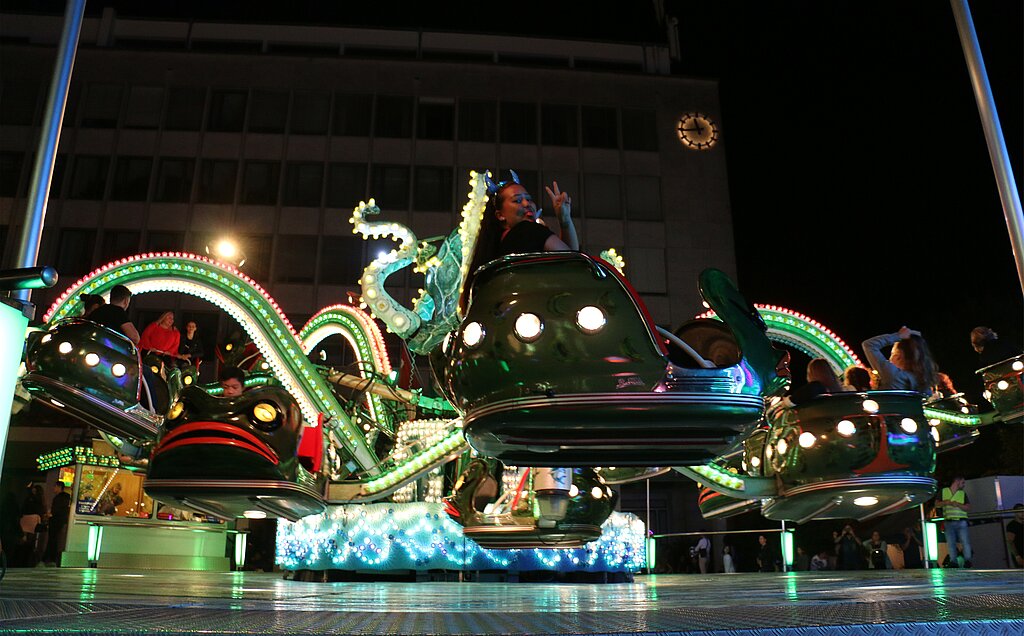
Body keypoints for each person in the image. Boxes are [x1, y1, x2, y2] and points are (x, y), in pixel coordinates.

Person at [463, 171, 579, 304]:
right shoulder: (528, 230)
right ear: (500, 215)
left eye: (529, 199)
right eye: (517, 200)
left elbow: (570, 256)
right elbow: (573, 261)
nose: (526, 204)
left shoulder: (495, 246)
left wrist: (564, 220)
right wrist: (565, 220)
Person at [861, 326, 937, 394]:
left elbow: (869, 345)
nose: (889, 359)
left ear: (898, 356)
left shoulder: (892, 374)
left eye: (893, 353)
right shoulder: (925, 382)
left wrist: (898, 336)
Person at [936, 476, 972, 567]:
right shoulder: (943, 492)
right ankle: (953, 561)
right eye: (962, 482)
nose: (963, 485)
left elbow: (968, 507)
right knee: (951, 543)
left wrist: (958, 505)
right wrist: (946, 502)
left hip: (961, 521)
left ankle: (967, 560)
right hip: (949, 521)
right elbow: (936, 504)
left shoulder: (962, 493)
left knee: (965, 542)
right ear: (957, 481)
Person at [42, 482, 71, 567]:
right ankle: (50, 558)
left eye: (55, 486)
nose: (53, 488)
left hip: (55, 521)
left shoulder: (59, 498)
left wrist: (51, 514)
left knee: (52, 539)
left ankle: (49, 558)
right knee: (53, 539)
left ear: (59, 487)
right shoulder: (66, 497)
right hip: (59, 521)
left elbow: (57, 510)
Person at [1006, 503, 1024, 568]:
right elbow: (1010, 542)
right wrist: (1017, 556)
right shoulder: (1012, 525)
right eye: (1020, 511)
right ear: (1015, 513)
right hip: (1020, 555)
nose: (1022, 513)